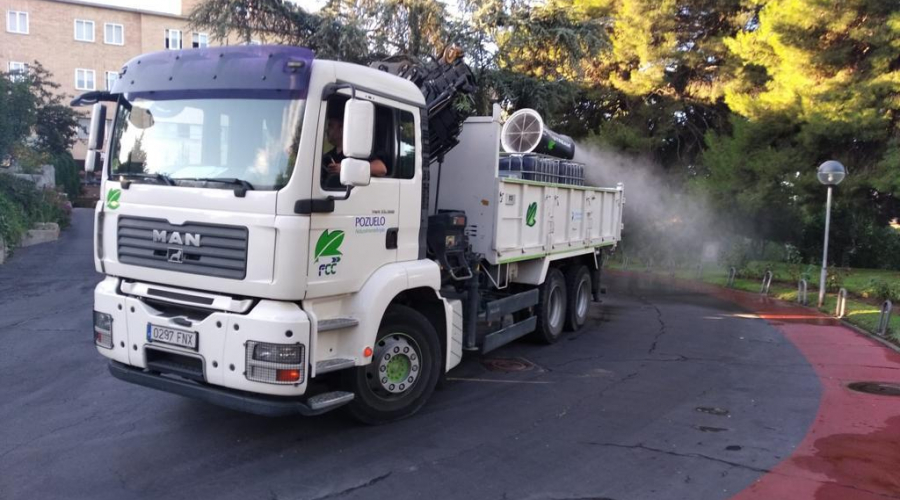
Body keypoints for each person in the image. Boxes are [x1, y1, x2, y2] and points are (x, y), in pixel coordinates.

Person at [322, 102, 387, 189]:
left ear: (342, 128)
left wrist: (345, 169)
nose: (327, 130)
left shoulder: (358, 151)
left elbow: (381, 169)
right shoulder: (328, 155)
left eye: (330, 125)